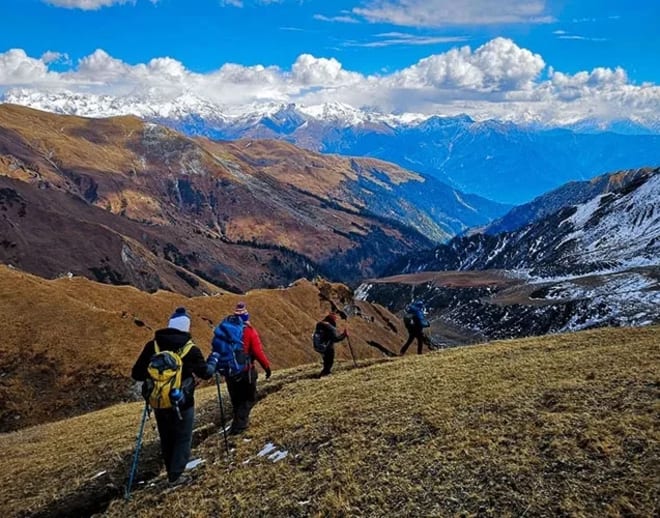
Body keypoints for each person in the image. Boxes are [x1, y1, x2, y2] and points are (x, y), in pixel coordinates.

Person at [131, 307, 213, 487]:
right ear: (186, 327)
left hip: (159, 402)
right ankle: (176, 477)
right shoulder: (190, 350)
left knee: (167, 438)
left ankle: (171, 472)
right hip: (183, 401)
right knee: (182, 438)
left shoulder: (152, 346)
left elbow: (136, 373)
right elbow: (206, 373)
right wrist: (213, 361)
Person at [208, 302, 271, 436]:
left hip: (229, 371)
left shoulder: (224, 330)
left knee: (236, 400)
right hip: (245, 371)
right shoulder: (249, 331)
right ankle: (239, 427)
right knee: (249, 398)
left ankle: (236, 425)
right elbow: (257, 351)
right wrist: (266, 367)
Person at [315, 313, 348, 377]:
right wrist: (344, 335)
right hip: (328, 347)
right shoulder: (330, 327)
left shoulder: (320, 325)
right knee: (329, 362)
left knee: (326, 361)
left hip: (320, 347)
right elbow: (335, 339)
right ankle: (325, 374)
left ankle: (324, 373)